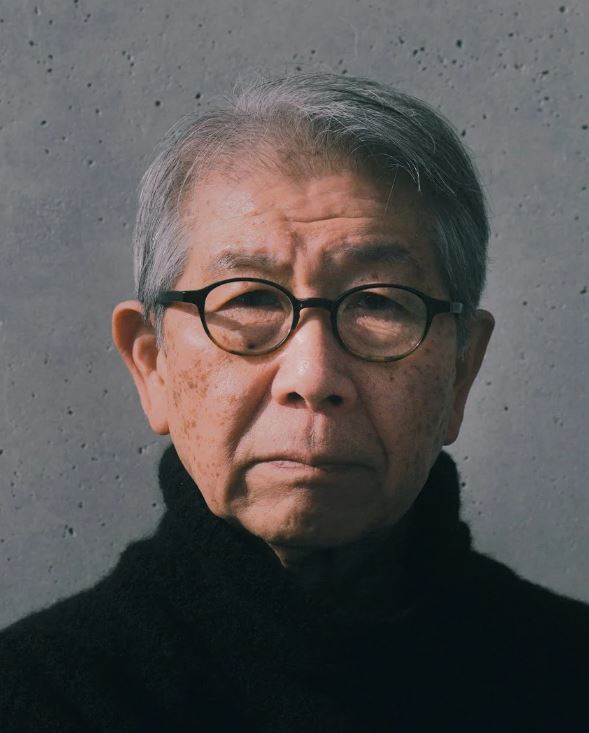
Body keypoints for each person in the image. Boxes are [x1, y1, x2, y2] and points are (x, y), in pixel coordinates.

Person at [0, 72, 587, 732]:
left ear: (460, 372)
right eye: (250, 298)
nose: (312, 375)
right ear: (153, 365)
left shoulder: (569, 678)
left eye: (377, 303)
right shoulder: (38, 699)